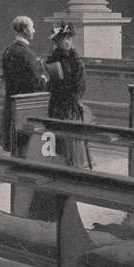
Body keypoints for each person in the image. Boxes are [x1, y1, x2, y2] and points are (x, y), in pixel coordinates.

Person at [46, 23, 91, 169]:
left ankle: (76, 166)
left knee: (74, 141)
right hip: (58, 106)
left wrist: (75, 97)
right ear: (57, 42)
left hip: (72, 105)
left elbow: (80, 85)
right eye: (63, 39)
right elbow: (53, 85)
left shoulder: (76, 61)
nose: (67, 42)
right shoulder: (52, 60)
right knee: (60, 140)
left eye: (69, 39)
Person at [0, 15, 48, 152]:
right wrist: (44, 79)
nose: (34, 31)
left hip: (12, 100)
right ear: (25, 30)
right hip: (26, 103)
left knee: (14, 140)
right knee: (24, 143)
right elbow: (34, 82)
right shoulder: (27, 53)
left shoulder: (8, 50)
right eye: (32, 28)